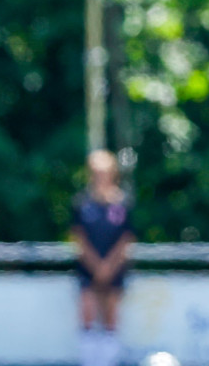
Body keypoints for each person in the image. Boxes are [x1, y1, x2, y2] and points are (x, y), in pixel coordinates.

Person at [71, 149, 136, 366]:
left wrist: (109, 265)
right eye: (96, 172)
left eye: (104, 172)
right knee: (87, 312)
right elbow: (78, 237)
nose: (100, 177)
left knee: (111, 316)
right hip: (88, 267)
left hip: (115, 267)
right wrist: (96, 265)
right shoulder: (81, 202)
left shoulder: (123, 202)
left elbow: (127, 237)